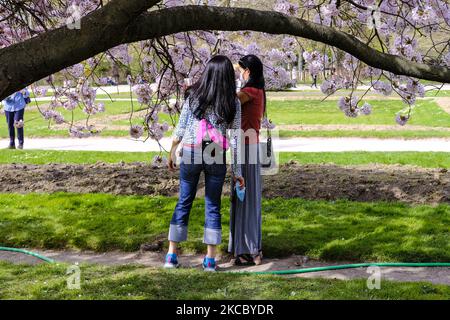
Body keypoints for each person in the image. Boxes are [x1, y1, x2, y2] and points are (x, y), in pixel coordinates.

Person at [165, 55, 245, 272]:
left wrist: (171, 152)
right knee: (213, 205)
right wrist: (237, 171)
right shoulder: (233, 102)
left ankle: (171, 254)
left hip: (191, 150)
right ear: (228, 75)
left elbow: (180, 128)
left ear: (208, 72)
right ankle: (210, 260)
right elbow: (235, 138)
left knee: (184, 200)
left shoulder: (193, 96)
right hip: (215, 152)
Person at [229, 55, 266, 266]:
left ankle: (248, 248)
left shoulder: (249, 92)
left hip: (245, 148)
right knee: (245, 197)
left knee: (244, 197)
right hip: (247, 146)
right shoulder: (257, 91)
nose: (239, 74)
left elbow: (230, 102)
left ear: (248, 72)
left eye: (240, 70)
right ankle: (245, 247)